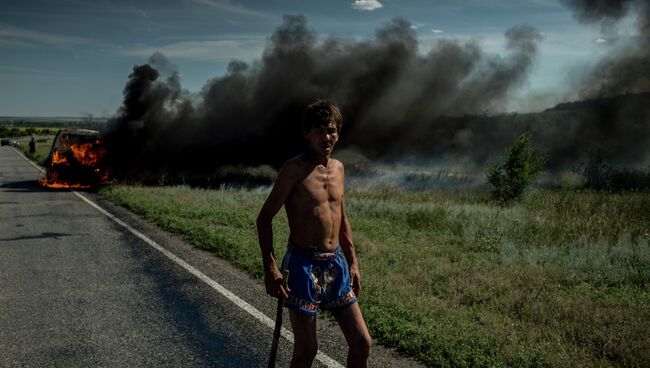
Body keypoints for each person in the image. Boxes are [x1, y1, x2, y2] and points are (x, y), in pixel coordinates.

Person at [257, 100, 371, 368]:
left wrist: (353, 262)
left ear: (338, 133)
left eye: (332, 130)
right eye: (320, 130)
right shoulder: (293, 170)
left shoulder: (339, 169)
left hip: (336, 263)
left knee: (361, 343)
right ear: (307, 133)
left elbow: (341, 217)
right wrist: (270, 267)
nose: (327, 137)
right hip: (302, 264)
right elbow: (264, 219)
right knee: (307, 350)